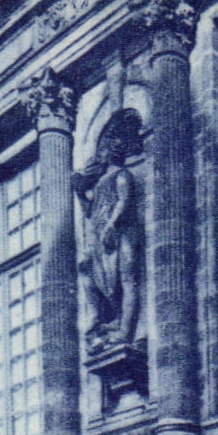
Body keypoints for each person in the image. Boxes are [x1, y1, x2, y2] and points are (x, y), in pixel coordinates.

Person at [73, 108, 146, 348]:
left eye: (117, 144)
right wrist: (79, 192)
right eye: (107, 145)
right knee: (93, 272)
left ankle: (126, 331)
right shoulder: (102, 180)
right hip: (104, 235)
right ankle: (106, 322)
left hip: (123, 233)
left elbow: (125, 201)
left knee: (126, 278)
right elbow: (89, 211)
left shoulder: (122, 174)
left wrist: (112, 224)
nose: (111, 149)